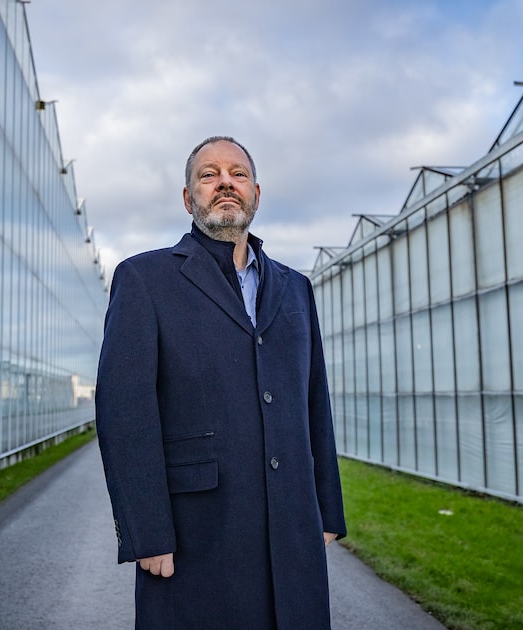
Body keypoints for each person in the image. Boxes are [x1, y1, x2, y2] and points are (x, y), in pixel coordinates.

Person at [95, 136, 347, 629]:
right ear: (189, 199)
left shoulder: (296, 287)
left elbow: (313, 400)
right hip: (198, 535)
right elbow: (125, 413)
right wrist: (148, 532)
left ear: (256, 193)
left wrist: (326, 509)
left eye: (238, 174)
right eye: (208, 175)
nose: (225, 182)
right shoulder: (145, 279)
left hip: (293, 528)